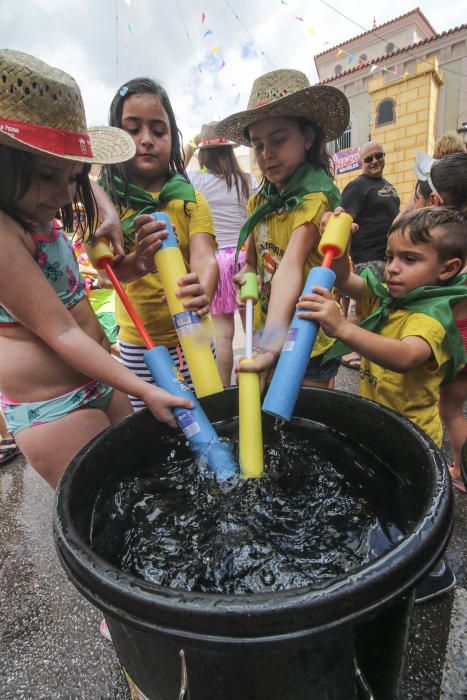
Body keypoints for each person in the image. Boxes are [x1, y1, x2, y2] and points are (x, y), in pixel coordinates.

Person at [0, 50, 193, 489]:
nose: (66, 195)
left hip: (100, 379)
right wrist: (144, 389)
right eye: (50, 174)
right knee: (109, 510)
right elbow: (62, 331)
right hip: (54, 406)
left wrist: (135, 263)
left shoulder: (38, 211)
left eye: (72, 177)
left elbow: (76, 294)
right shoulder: (3, 233)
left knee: (139, 489)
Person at [298, 206, 467, 601]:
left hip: (411, 438)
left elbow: (404, 356)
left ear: (448, 268)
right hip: (378, 428)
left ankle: (435, 573)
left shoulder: (430, 318)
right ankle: (391, 551)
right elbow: (344, 278)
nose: (392, 268)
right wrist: (339, 244)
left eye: (409, 259)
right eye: (391, 256)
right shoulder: (388, 299)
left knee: (414, 508)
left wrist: (342, 327)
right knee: (384, 499)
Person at [215, 68, 349, 389]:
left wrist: (270, 347)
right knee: (272, 415)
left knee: (308, 413)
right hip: (268, 327)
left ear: (307, 137)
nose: (266, 154)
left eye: (278, 140)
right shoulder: (259, 201)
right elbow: (251, 261)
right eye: (258, 145)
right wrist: (245, 274)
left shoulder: (316, 198)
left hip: (307, 334)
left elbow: (290, 266)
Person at [98, 78, 218, 407]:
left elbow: (205, 256)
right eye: (133, 130)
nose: (146, 140)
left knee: (207, 411)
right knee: (152, 422)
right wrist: (137, 262)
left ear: (173, 137)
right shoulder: (107, 204)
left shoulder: (190, 199)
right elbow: (106, 271)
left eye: (158, 131)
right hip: (140, 342)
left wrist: (203, 290)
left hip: (194, 332)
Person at [402, 151, 467, 493]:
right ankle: (460, 465)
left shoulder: (436, 248)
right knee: (457, 407)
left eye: (415, 195)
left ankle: (452, 469)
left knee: (445, 406)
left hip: (448, 334)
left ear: (434, 200)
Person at [184, 122, 257, 385]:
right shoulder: (248, 180)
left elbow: (173, 174)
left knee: (223, 337)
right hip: (246, 259)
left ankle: (225, 391)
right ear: (229, 151)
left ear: (203, 153)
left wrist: (190, 146)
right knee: (253, 334)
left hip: (217, 262)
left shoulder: (196, 181)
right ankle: (256, 387)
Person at [340, 141, 400, 370]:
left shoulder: (388, 186)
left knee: (379, 304)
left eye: (379, 155)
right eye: (369, 159)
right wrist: (346, 260)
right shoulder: (358, 186)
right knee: (363, 305)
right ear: (360, 163)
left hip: (387, 256)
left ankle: (368, 346)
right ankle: (350, 348)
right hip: (366, 255)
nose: (375, 161)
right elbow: (345, 224)